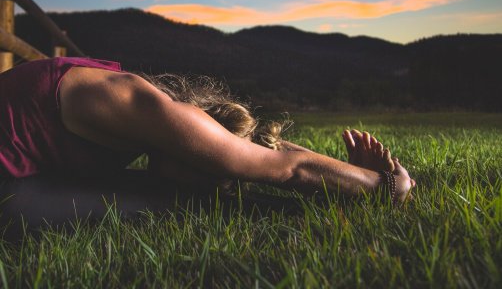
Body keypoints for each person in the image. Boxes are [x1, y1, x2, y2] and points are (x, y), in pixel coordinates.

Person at [0, 57, 415, 233]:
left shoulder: (143, 121)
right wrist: (387, 184)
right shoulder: (150, 108)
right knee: (177, 204)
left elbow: (268, 156)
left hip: (24, 178)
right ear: (202, 135)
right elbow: (287, 168)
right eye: (216, 171)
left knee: (180, 201)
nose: (211, 180)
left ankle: (330, 200)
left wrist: (340, 173)